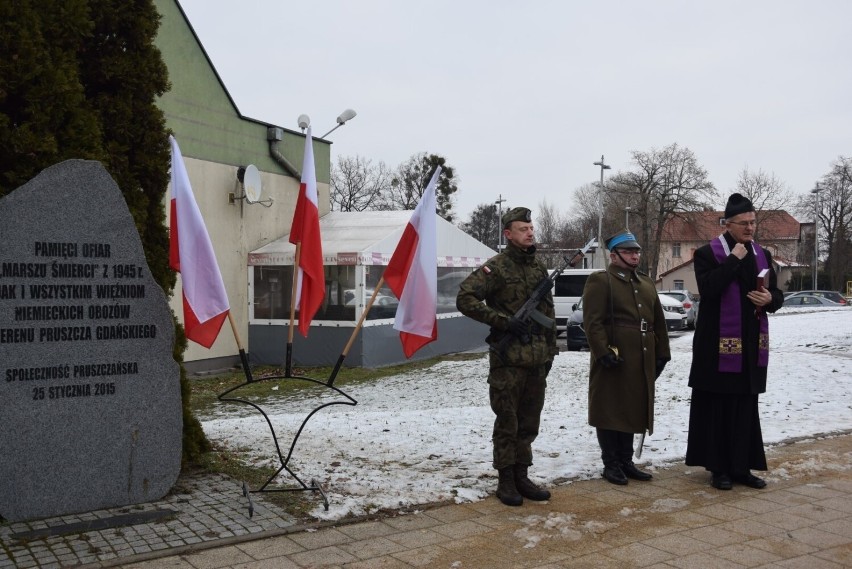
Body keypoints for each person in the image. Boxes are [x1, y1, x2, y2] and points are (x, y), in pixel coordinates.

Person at [456, 207, 559, 506]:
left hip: (537, 360)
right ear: (508, 234)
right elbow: (465, 298)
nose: (530, 232)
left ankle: (522, 475)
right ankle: (505, 480)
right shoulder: (496, 268)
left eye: (531, 227)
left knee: (529, 422)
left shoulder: (539, 269)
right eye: (522, 228)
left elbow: (548, 315)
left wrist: (549, 352)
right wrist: (502, 321)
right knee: (508, 421)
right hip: (509, 361)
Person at [686, 193, 783, 490]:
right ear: (728, 224)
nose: (750, 228)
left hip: (750, 346)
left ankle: (742, 467)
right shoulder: (707, 254)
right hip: (716, 347)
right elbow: (710, 289)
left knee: (744, 407)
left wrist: (770, 299)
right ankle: (719, 469)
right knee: (719, 407)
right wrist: (732, 260)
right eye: (744, 223)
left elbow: (777, 295)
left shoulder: (763, 254)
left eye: (753, 222)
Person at [583, 230, 670, 485]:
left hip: (641, 356)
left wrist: (662, 352)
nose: (635, 256)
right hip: (614, 355)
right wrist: (602, 352)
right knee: (610, 408)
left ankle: (626, 460)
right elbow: (593, 322)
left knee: (632, 407)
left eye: (637, 251)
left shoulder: (645, 283)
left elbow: (658, 322)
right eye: (629, 252)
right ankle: (611, 463)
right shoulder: (601, 281)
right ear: (614, 255)